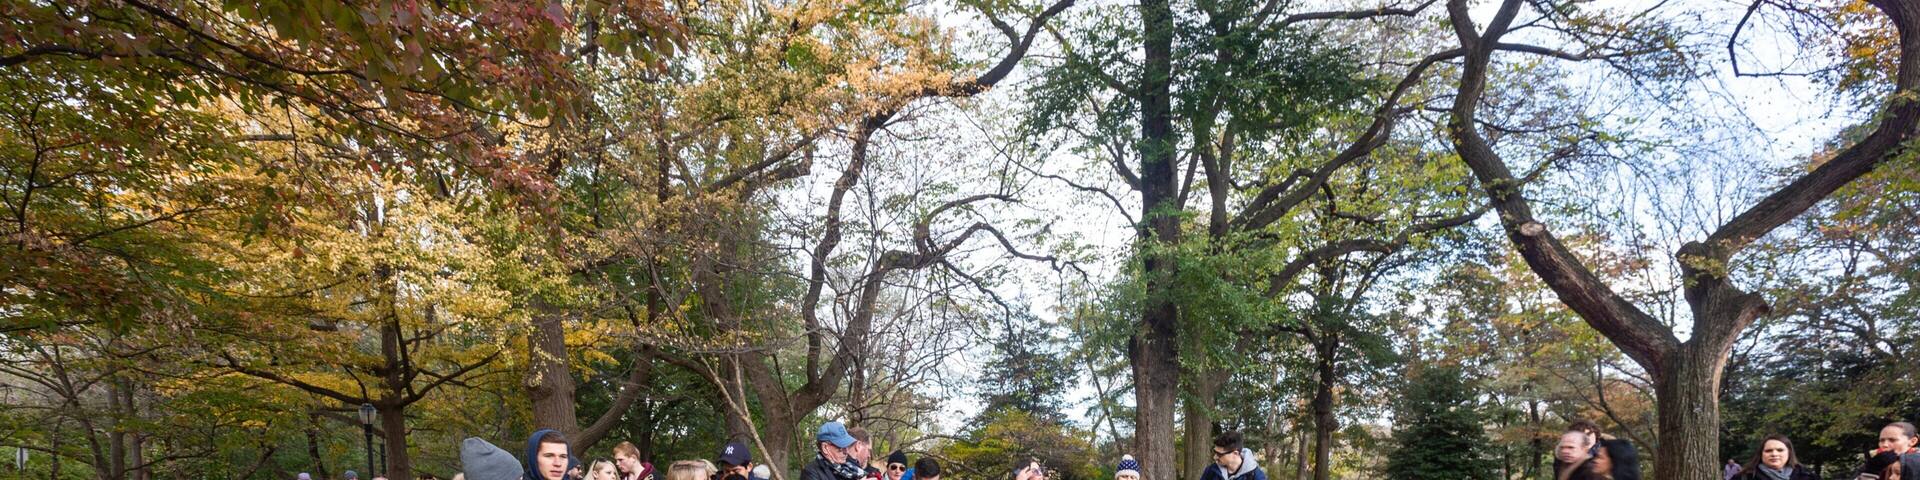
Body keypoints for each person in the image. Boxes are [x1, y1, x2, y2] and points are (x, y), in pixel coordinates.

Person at [1730, 435, 1816, 480]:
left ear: (1789, 453)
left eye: (1780, 450)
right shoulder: (1743, 477)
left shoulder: (1807, 476)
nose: (1774, 454)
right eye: (1768, 451)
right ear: (1761, 454)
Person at [1199, 431, 1265, 480]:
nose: (1215, 457)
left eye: (1219, 454)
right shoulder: (1211, 470)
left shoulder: (1256, 476)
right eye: (1215, 452)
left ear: (1235, 453)